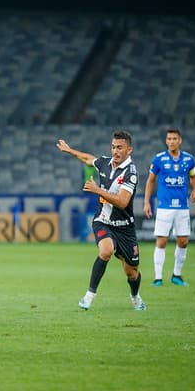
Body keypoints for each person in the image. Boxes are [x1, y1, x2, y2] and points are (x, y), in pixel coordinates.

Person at [56, 131, 146, 311]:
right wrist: (69, 150)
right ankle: (89, 296)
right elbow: (89, 159)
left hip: (125, 228)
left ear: (129, 150)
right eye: (113, 147)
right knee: (105, 251)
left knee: (131, 272)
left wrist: (98, 190)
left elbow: (122, 202)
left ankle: (135, 296)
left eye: (119, 147)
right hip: (103, 221)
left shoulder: (131, 172)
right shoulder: (105, 163)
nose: (115, 151)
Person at [143, 127, 195, 287]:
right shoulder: (159, 159)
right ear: (166, 141)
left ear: (180, 140)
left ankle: (176, 275)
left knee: (183, 241)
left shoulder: (189, 159)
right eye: (169, 139)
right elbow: (150, 181)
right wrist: (147, 202)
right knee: (161, 241)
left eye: (174, 139)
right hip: (165, 207)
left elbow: (193, 177)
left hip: (182, 207)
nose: (172, 141)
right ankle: (158, 278)